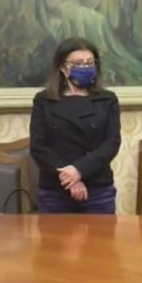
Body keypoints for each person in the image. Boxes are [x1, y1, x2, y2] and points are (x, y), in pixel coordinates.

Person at [29, 37, 122, 214]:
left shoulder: (107, 99)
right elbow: (38, 147)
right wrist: (71, 178)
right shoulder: (44, 100)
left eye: (90, 63)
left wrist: (79, 170)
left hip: (98, 190)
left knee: (103, 234)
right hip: (55, 191)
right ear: (63, 67)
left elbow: (111, 143)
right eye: (79, 63)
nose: (85, 67)